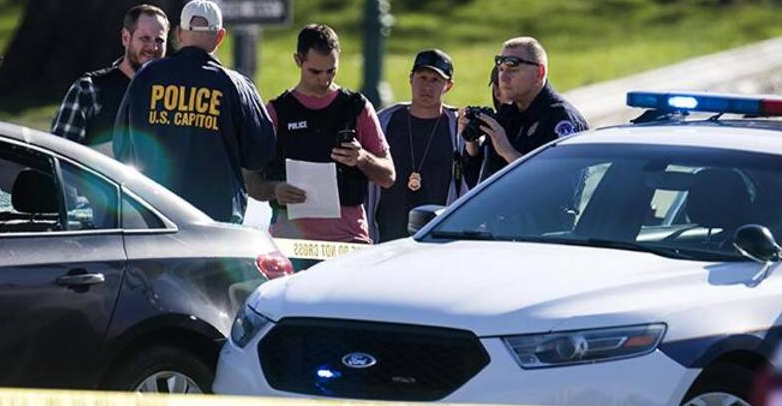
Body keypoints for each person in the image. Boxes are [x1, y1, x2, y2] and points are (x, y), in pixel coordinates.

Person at [113, 0, 276, 224]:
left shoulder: (147, 77)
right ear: (220, 37)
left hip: (157, 215)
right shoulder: (236, 85)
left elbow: (122, 147)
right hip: (217, 220)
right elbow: (260, 155)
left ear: (180, 34)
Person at [243, 24, 394, 244]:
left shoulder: (357, 107)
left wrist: (362, 158)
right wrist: (275, 189)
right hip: (291, 242)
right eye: (315, 71)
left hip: (348, 240)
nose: (324, 79)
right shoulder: (277, 112)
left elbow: (389, 176)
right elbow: (250, 179)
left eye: (331, 70)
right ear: (298, 60)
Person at [460, 36, 588, 187]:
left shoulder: (560, 119)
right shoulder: (506, 116)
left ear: (539, 73)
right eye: (501, 69)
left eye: (513, 69)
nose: (503, 77)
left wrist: (509, 153)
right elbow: (476, 185)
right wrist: (472, 145)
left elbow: (561, 186)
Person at [367, 49, 463, 242]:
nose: (427, 86)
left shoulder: (458, 129)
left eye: (435, 80)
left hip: (437, 237)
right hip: (386, 235)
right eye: (422, 77)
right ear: (411, 79)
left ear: (449, 86)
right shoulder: (385, 122)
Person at [52, 4, 169, 155]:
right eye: (145, 38)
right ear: (126, 38)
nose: (153, 48)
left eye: (159, 40)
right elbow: (60, 158)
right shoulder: (89, 90)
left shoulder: (171, 97)